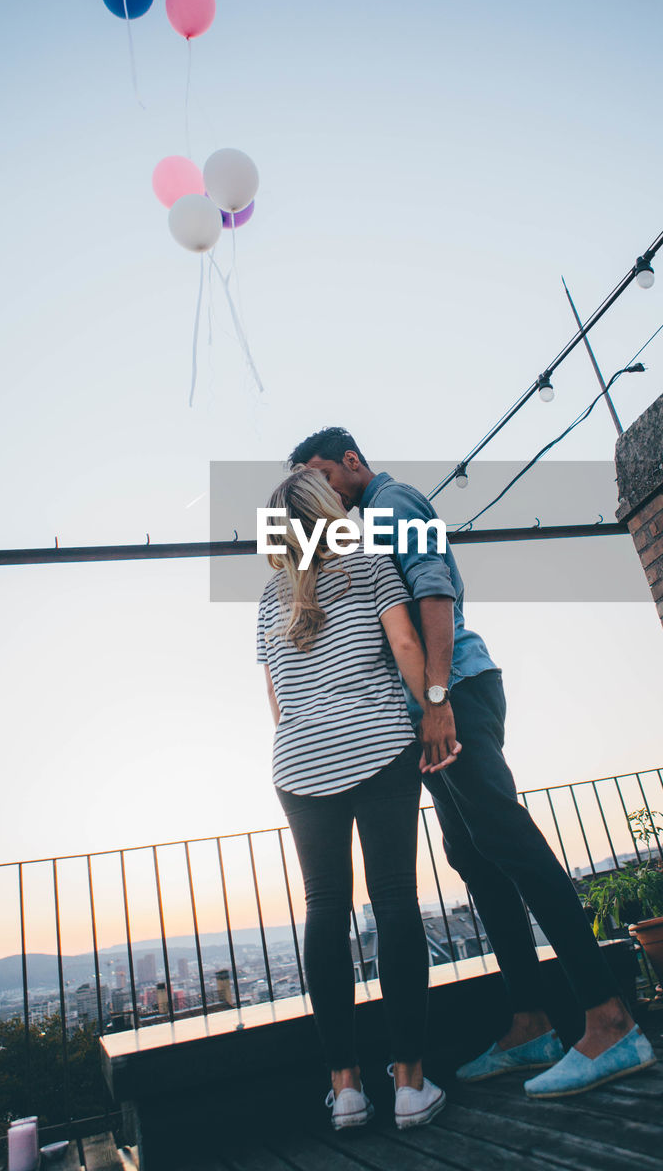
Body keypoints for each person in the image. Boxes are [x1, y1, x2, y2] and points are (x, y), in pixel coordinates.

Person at [288, 427, 656, 1099]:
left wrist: (433, 700)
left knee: (508, 839)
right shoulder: (359, 526)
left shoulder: (394, 504)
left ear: (350, 461)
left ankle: (609, 1019)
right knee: (476, 856)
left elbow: (434, 594)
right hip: (431, 703)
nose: (320, 491)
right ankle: (531, 1021)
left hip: (450, 691)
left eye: (321, 474)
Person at [257, 466, 453, 1129]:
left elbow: (276, 699)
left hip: (298, 762)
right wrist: (434, 705)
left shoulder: (267, 598)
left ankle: (344, 1091)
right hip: (375, 744)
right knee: (394, 900)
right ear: (327, 509)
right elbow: (404, 642)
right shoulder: (367, 565)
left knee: (324, 911)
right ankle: (408, 1084)